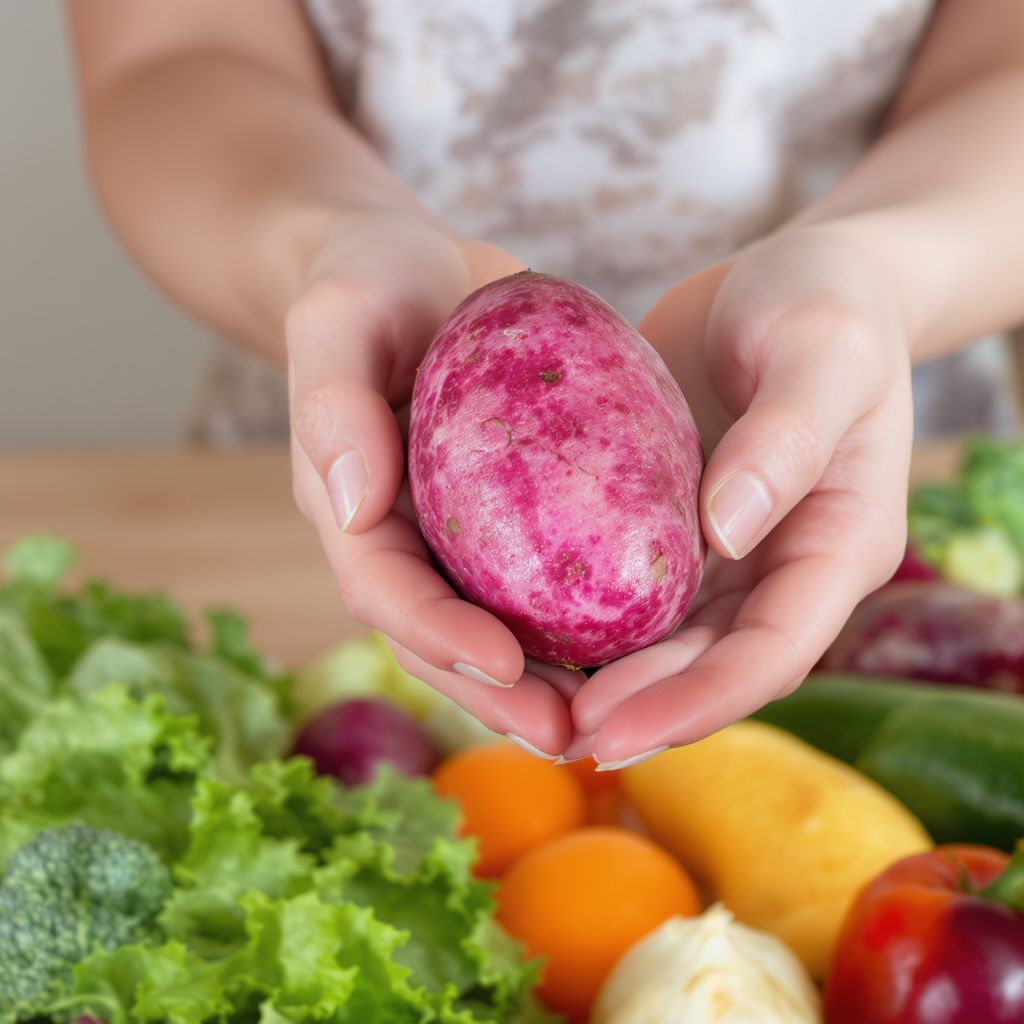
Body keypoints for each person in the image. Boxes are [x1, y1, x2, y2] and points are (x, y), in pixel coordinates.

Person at [68, 1, 1024, 768]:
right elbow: (173, 53)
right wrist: (326, 242)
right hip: (354, 415)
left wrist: (877, 277)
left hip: (847, 433)